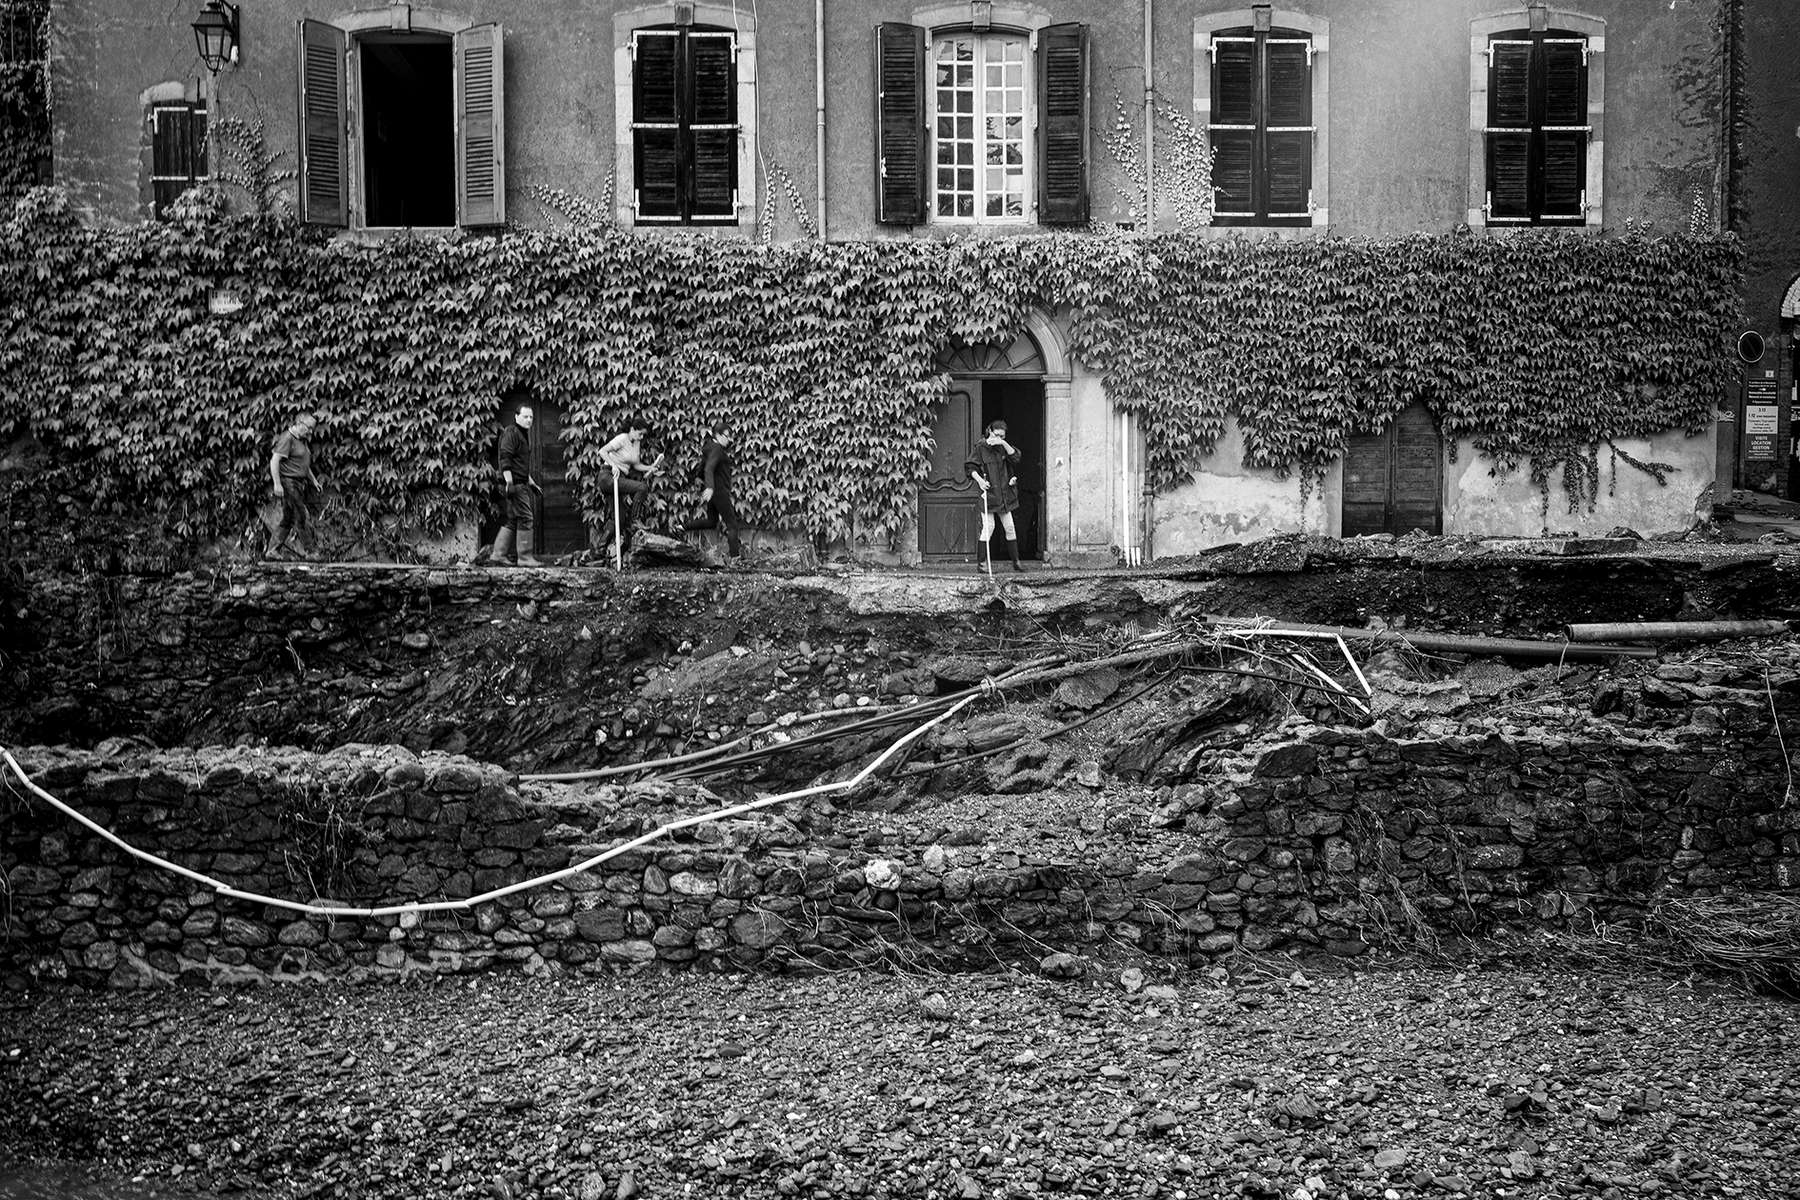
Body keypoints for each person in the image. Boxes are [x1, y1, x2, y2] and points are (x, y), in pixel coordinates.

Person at [965, 418, 1025, 573]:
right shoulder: (980, 447)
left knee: (1010, 527)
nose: (999, 438)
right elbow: (970, 467)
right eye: (996, 435)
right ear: (989, 431)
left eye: (1002, 436)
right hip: (989, 494)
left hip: (1005, 494)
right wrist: (979, 481)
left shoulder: (1003, 447)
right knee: (989, 527)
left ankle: (1016, 562)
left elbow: (1016, 458)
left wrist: (1003, 444)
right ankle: (982, 564)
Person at [596, 423, 663, 556]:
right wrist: (613, 465)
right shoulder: (622, 438)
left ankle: (599, 549)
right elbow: (602, 451)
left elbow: (636, 465)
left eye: (643, 435)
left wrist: (650, 468)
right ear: (632, 429)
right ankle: (635, 520)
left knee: (619, 518)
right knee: (642, 488)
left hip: (618, 478)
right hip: (608, 476)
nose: (641, 437)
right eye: (640, 433)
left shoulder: (636, 443)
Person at [491, 406, 543, 567]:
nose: (529, 420)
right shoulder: (511, 433)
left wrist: (531, 483)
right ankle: (525, 558)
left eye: (531, 417)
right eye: (525, 416)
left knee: (513, 519)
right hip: (513, 484)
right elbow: (505, 459)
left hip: (519, 482)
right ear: (516, 416)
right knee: (526, 517)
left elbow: (519, 465)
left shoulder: (521, 435)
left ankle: (498, 555)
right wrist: (509, 482)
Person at [681, 428, 743, 560]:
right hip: (719, 491)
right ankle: (735, 559)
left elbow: (703, 466)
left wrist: (699, 478)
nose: (729, 439)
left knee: (712, 521)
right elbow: (709, 467)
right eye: (727, 436)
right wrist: (709, 487)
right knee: (732, 525)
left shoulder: (709, 448)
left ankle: (682, 527)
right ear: (719, 435)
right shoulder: (718, 449)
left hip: (714, 493)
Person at [268, 413, 322, 561]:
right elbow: (274, 461)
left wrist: (313, 481)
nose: (311, 432)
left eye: (312, 429)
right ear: (299, 423)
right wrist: (277, 484)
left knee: (288, 518)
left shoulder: (301, 441)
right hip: (289, 483)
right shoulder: (287, 438)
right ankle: (311, 552)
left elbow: (303, 464)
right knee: (302, 515)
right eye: (309, 428)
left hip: (298, 483)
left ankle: (272, 551)